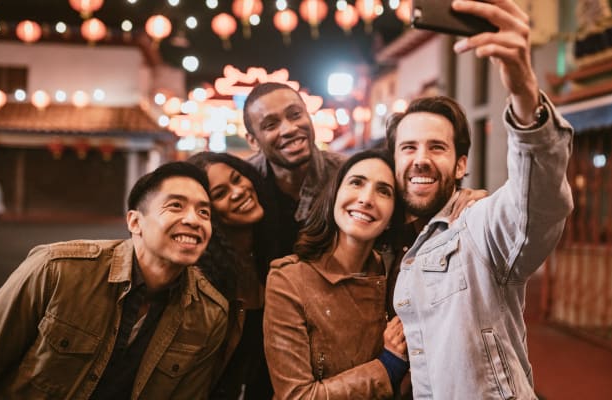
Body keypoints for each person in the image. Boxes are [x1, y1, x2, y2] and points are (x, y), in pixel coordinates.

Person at [386, 1, 575, 398]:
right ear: (394, 160)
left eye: (436, 147)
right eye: (408, 148)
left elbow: (536, 202)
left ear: (460, 165)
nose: (420, 158)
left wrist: (524, 90)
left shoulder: (476, 226)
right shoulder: (386, 242)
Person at [0, 162, 230, 399]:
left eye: (203, 212)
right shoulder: (57, 269)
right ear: (134, 222)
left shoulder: (209, 314)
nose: (194, 220)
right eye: (176, 206)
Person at [263, 149, 409, 399]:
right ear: (335, 194)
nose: (366, 199)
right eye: (356, 182)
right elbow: (296, 396)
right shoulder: (289, 279)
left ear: (393, 215)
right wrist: (387, 366)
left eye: (383, 191)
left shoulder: (397, 275)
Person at [188, 151, 278, 399]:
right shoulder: (199, 279)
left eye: (237, 179)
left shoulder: (274, 256)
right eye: (220, 194)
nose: (238, 192)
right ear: (205, 212)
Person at [242, 82, 346, 257]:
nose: (289, 129)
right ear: (253, 141)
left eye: (295, 115)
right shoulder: (242, 182)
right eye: (271, 125)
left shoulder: (346, 174)